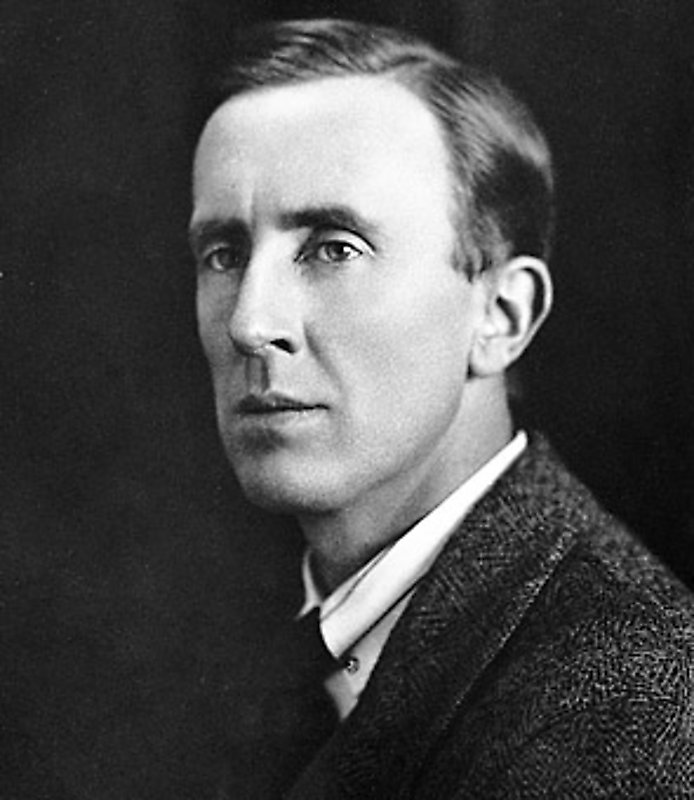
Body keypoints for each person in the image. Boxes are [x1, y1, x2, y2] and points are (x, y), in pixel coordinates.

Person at [189, 18, 694, 798]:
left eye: (334, 248)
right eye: (224, 254)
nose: (250, 323)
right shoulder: (285, 638)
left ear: (500, 316)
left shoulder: (621, 704)